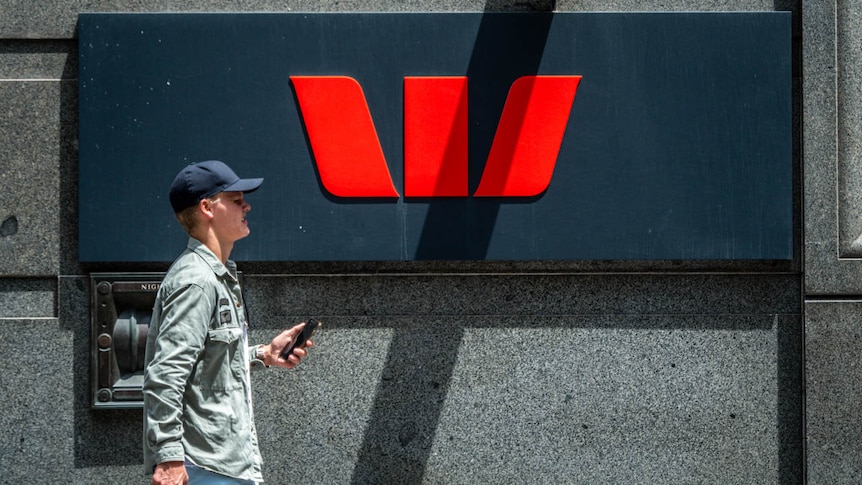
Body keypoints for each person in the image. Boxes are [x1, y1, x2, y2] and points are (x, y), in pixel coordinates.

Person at [143, 160, 313, 485]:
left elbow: (207, 365)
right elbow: (166, 374)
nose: (246, 205)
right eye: (236, 200)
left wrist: (263, 354)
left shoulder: (216, 277)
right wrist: (169, 458)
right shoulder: (196, 281)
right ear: (207, 207)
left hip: (223, 464)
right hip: (204, 468)